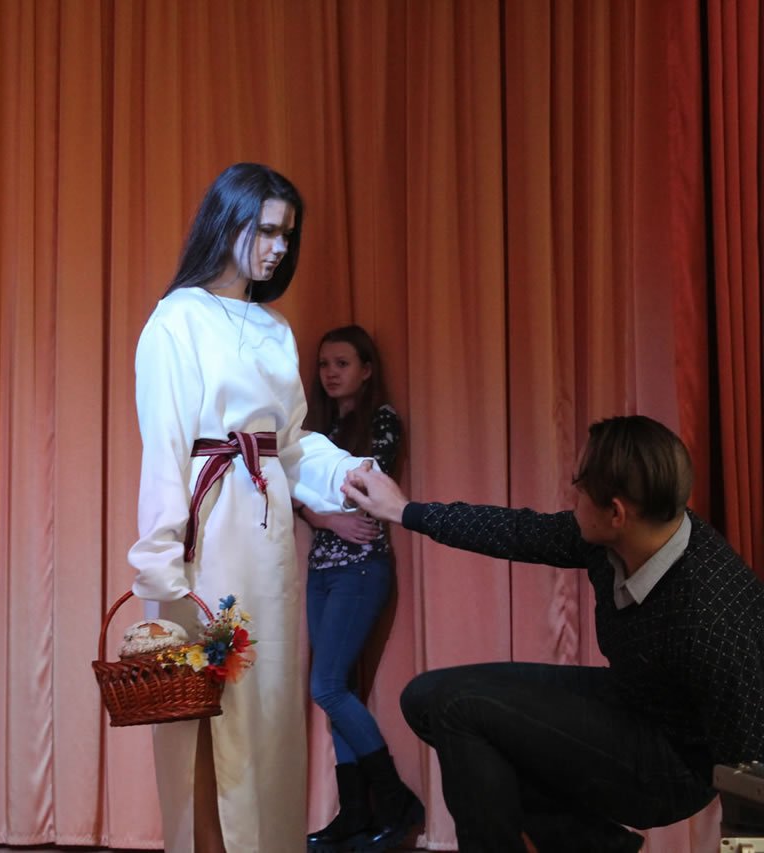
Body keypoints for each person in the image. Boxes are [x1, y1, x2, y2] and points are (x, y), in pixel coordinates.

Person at [341, 415, 764, 852]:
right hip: (632, 699)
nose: (571, 496)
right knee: (425, 698)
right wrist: (404, 511)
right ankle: (595, 846)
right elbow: (518, 532)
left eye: (579, 486)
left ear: (616, 512)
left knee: (459, 707)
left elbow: (751, 772)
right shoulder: (620, 537)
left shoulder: (714, 613)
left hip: (673, 770)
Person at [129, 162, 377, 853]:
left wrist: (350, 471)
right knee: (205, 715)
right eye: (266, 230)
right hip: (204, 540)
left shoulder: (275, 328)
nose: (278, 248)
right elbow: (165, 447)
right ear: (228, 221)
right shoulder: (177, 319)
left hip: (266, 544)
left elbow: (289, 447)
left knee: (266, 711)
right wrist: (160, 559)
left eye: (287, 235)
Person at [298, 326, 422, 851]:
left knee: (326, 686)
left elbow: (365, 490)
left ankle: (395, 800)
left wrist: (324, 507)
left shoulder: (381, 420)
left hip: (361, 568)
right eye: (324, 363)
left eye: (342, 363)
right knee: (337, 688)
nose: (330, 373)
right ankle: (353, 814)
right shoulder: (314, 428)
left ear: (366, 370)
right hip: (322, 568)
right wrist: (323, 518)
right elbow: (292, 494)